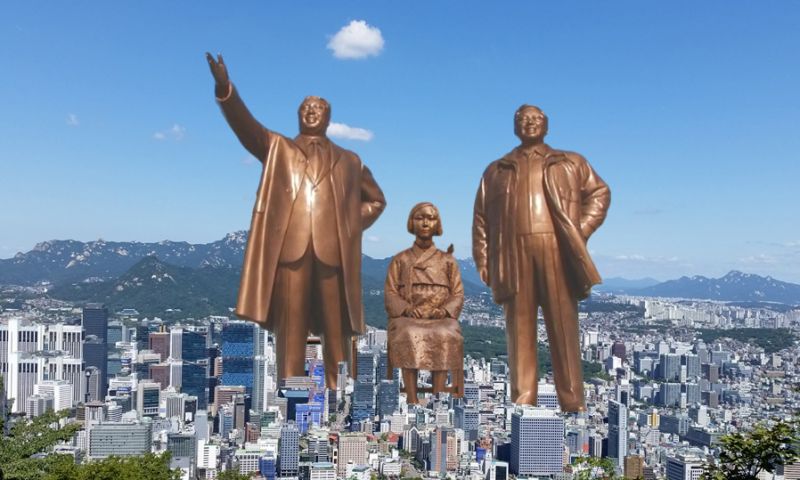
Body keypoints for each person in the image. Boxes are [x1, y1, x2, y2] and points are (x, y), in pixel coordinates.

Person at [206, 53, 386, 389]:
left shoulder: (350, 160)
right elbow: (246, 127)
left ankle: (338, 391)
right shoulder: (278, 148)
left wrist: (348, 224)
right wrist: (225, 89)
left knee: (337, 329)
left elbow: (376, 200)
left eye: (318, 108)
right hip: (291, 250)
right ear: (297, 115)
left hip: (334, 254)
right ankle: (291, 391)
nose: (311, 112)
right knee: (290, 326)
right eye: (305, 108)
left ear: (328, 117)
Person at [472, 105, 610, 411]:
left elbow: (600, 193)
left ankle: (573, 402)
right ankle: (523, 400)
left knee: (563, 325)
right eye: (522, 119)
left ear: (546, 125)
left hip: (556, 249)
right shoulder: (496, 170)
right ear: (514, 126)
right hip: (511, 254)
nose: (529, 123)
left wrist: (580, 230)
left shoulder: (570, 162)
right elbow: (481, 218)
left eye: (536, 118)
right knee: (518, 328)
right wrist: (483, 259)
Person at [385, 202, 464, 403]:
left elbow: (457, 293)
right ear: (411, 223)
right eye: (420, 218)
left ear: (438, 224)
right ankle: (412, 397)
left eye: (431, 218)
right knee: (407, 333)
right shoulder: (401, 259)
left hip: (440, 317)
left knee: (447, 333)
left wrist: (444, 310)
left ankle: (438, 396)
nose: (425, 223)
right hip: (409, 317)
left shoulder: (448, 260)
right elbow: (390, 292)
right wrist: (407, 308)